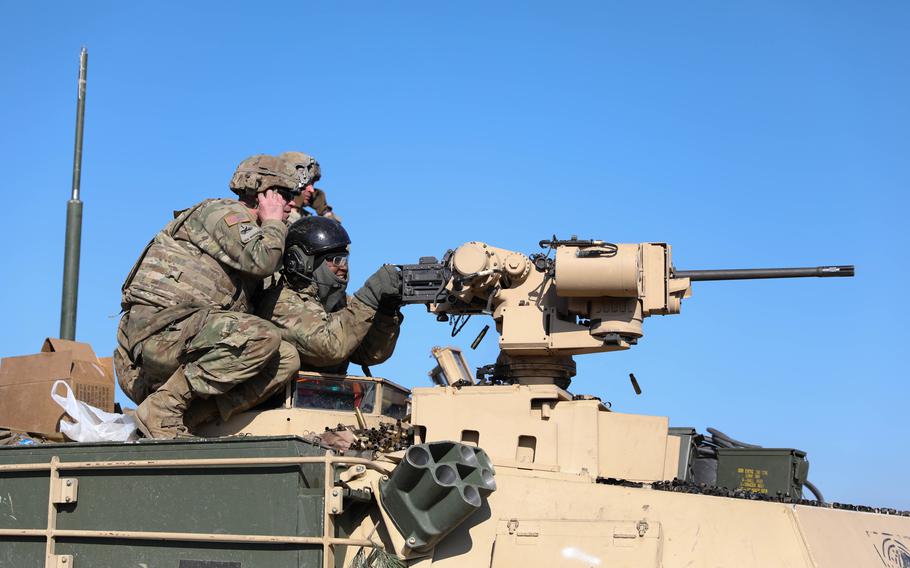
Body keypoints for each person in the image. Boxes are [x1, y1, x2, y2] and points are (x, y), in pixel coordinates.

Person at [113, 155, 303, 438]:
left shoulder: (252, 234)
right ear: (261, 191)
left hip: (184, 344)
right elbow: (262, 260)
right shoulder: (223, 214)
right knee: (261, 336)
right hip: (155, 342)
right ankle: (163, 408)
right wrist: (274, 221)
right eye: (285, 195)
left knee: (286, 357)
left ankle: (184, 417)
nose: (291, 204)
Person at [256, 216, 403, 375]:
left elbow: (368, 354)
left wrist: (386, 313)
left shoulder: (340, 303)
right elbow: (328, 347)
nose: (344, 268)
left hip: (324, 397)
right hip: (285, 397)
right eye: (335, 260)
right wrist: (368, 298)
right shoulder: (281, 303)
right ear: (301, 263)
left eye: (345, 260)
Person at [278, 151, 341, 224]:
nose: (311, 190)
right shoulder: (274, 215)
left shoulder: (304, 217)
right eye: (306, 183)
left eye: (312, 184)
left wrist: (324, 211)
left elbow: (334, 230)